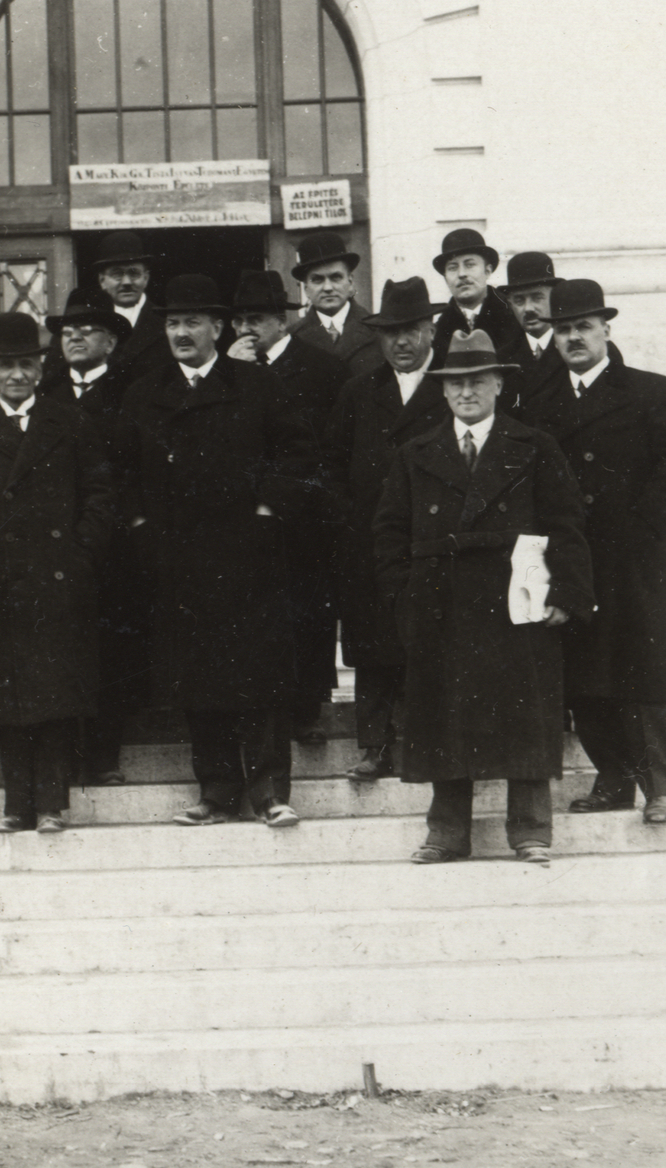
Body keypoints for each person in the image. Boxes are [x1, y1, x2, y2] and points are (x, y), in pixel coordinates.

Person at [372, 329, 595, 865]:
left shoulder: (534, 447)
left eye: (477, 381)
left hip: (517, 599)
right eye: (456, 383)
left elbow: (566, 524)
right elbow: (388, 532)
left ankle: (530, 831)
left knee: (526, 712)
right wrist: (404, 595)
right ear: (443, 390)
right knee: (444, 715)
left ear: (498, 384)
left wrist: (565, 593)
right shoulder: (415, 453)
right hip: (439, 602)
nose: (466, 392)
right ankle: (447, 833)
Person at [118, 273, 315, 828]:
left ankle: (269, 792)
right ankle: (217, 792)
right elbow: (121, 471)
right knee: (198, 678)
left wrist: (267, 511)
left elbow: (299, 454)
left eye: (192, 322)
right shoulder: (144, 394)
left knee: (260, 678)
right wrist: (142, 527)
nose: (181, 333)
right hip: (179, 559)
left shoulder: (257, 385)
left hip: (249, 556)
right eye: (173, 323)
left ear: (218, 328)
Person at [525, 279, 666, 826]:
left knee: (642, 671)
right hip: (573, 560)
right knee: (585, 674)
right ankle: (613, 781)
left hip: (632, 559)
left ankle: (659, 788)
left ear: (606, 329)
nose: (574, 338)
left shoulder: (649, 390)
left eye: (583, 326)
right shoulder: (541, 403)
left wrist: (644, 525)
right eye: (563, 329)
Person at [0, 313, 115, 834]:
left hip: (57, 581)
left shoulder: (70, 423)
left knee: (55, 697)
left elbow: (100, 495)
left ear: (40, 369)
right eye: (6, 366)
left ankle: (52, 803)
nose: (17, 375)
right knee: (9, 699)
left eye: (27, 365)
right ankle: (17, 805)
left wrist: (79, 554)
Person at [320, 277, 450, 783]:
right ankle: (375, 747)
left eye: (411, 330)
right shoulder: (359, 391)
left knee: (430, 641)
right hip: (371, 541)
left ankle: (428, 744)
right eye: (391, 332)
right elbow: (331, 464)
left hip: (434, 541)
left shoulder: (453, 386)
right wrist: (350, 519)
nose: (401, 342)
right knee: (375, 644)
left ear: (430, 330)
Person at [227, 267, 352, 742]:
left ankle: (308, 709)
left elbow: (334, 445)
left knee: (309, 612)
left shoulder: (323, 368)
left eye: (256, 319)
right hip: (247, 514)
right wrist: (233, 372)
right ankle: (260, 709)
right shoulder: (226, 370)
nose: (246, 329)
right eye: (239, 320)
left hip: (305, 515)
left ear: (281, 321)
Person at [42, 287, 142, 784]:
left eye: (89, 330)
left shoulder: (133, 392)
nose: (76, 338)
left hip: (117, 545)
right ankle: (63, 755)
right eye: (68, 331)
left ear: (111, 341)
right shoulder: (44, 393)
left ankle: (105, 755)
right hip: (55, 544)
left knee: (112, 649)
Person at [290, 232, 384, 380]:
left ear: (350, 282)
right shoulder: (292, 338)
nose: (328, 287)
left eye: (335, 277)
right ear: (306, 288)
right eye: (317, 280)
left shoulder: (378, 331)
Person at [429, 227, 526, 370]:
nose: (461, 274)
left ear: (487, 271)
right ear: (445, 278)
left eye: (470, 265)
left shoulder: (515, 316)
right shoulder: (439, 332)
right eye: (453, 267)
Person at [86, 230, 172, 384]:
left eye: (134, 273)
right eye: (117, 274)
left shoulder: (167, 322)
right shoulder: (86, 323)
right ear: (102, 280)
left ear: (146, 278)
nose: (126, 282)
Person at [500, 250, 566, 412]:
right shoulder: (501, 360)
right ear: (510, 304)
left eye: (537, 297)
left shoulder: (578, 350)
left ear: (554, 298)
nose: (528, 308)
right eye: (519, 300)